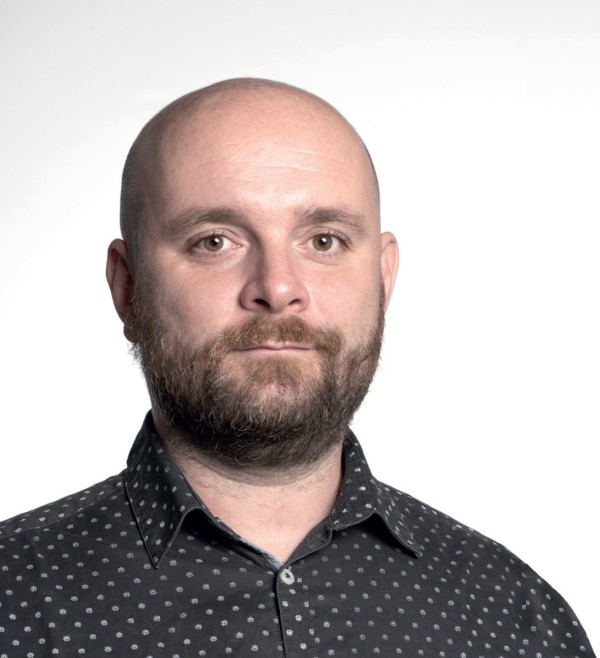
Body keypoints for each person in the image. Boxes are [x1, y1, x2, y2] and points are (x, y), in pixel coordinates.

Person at [0, 79, 595, 657]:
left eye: (324, 241)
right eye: (215, 241)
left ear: (383, 278)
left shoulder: (517, 618)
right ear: (128, 287)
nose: (279, 288)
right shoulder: (13, 598)